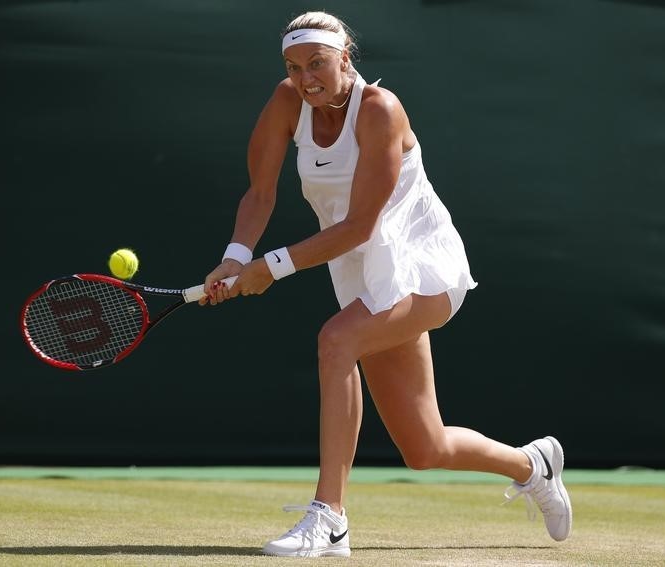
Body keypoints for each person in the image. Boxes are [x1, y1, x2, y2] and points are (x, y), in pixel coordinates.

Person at [200, 10, 572, 558]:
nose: (305, 79)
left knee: (336, 341)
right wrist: (235, 257)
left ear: (345, 58)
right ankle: (534, 464)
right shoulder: (286, 103)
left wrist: (271, 267)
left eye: (317, 64)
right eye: (294, 66)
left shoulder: (380, 110)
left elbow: (360, 225)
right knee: (426, 446)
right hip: (361, 277)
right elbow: (260, 195)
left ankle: (329, 519)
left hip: (424, 270)